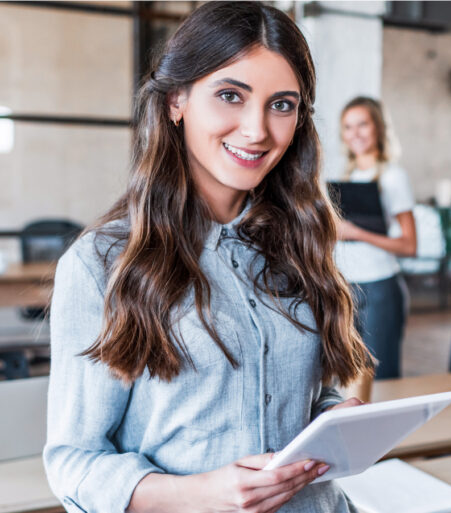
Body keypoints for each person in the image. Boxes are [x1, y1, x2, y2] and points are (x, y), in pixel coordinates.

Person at [43, 3, 374, 512]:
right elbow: (73, 463)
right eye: (230, 96)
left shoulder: (300, 243)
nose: (257, 129)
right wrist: (200, 493)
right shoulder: (102, 264)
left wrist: (333, 423)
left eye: (281, 105)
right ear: (177, 99)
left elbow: (306, 398)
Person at [334, 97, 417, 380]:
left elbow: (409, 245)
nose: (354, 133)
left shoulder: (393, 177)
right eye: (348, 127)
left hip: (380, 288)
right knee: (354, 375)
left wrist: (356, 233)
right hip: (349, 287)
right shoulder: (351, 176)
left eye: (362, 125)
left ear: (378, 128)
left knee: (381, 376)